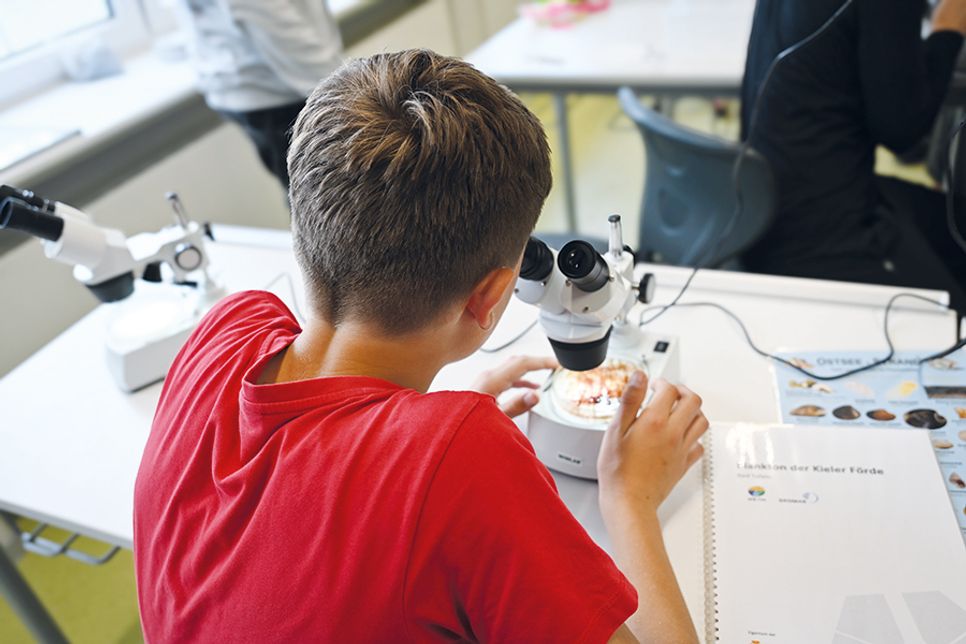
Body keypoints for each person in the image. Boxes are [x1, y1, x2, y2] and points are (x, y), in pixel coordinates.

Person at [133, 50, 708, 642]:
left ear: (304, 231)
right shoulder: (464, 458)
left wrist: (420, 430)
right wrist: (630, 499)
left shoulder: (227, 330)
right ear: (491, 296)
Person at [740, 0, 966, 318]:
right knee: (954, 333)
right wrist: (949, 26)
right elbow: (902, 129)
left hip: (759, 213)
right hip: (826, 236)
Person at [176, 0, 342, 189]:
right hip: (280, 90)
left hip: (272, 79)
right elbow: (266, 11)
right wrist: (342, 93)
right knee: (324, 197)